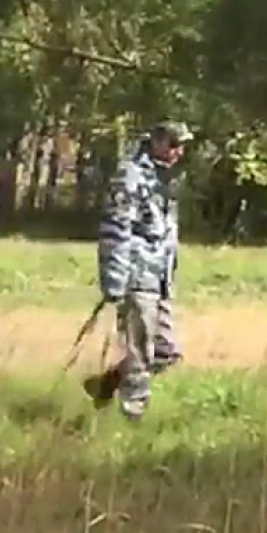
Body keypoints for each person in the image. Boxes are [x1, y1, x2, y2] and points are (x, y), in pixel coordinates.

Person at [86, 120, 193, 420]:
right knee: (139, 353)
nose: (178, 152)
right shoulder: (130, 176)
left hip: (157, 278)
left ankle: (104, 385)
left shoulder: (165, 178)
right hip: (135, 276)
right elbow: (116, 229)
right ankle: (132, 418)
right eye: (173, 144)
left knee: (167, 352)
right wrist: (115, 282)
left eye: (181, 145)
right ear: (156, 141)